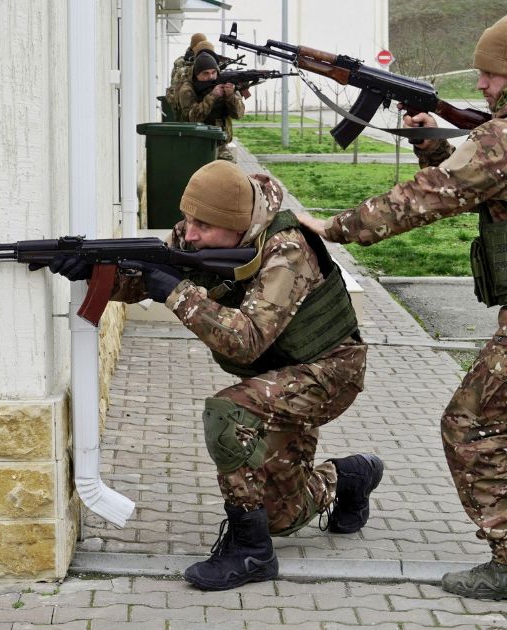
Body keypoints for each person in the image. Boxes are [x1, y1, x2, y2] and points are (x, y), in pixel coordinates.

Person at [47, 161, 381, 591]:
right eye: (187, 218)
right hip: (279, 370)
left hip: (330, 373)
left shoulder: (287, 251)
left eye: (203, 224)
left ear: (238, 225)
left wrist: (175, 292)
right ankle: (351, 476)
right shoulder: (199, 236)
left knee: (229, 411)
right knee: (281, 516)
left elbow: (245, 341)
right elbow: (151, 279)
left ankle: (250, 554)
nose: (189, 233)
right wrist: (97, 273)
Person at [295, 14, 507, 600]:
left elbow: (424, 199)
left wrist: (332, 226)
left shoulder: (500, 138)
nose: (484, 87)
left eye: (492, 76)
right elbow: (471, 182)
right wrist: (431, 141)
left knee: (470, 427)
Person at [176, 46, 246, 162]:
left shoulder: (224, 83)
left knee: (229, 173)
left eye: (213, 72)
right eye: (205, 73)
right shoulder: (187, 90)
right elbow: (191, 119)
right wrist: (212, 96)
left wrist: (230, 97)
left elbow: (238, 114)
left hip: (220, 144)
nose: (211, 77)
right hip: (196, 142)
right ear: (196, 74)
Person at [164, 33, 208, 121]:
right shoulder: (181, 62)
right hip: (184, 101)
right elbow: (176, 84)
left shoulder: (206, 59)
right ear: (194, 46)